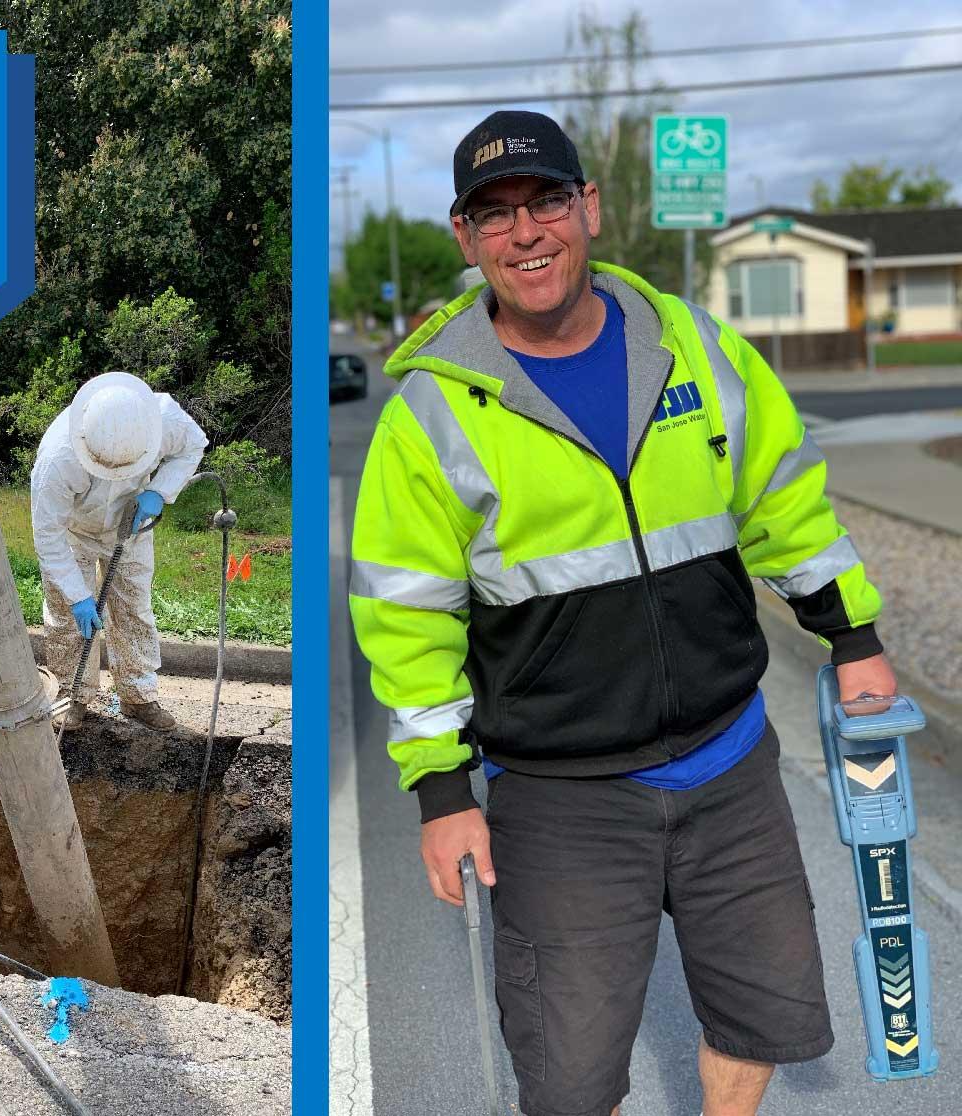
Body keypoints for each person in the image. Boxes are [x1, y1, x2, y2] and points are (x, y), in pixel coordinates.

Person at [350, 110, 893, 1116]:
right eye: (494, 215)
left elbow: (780, 501)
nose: (526, 233)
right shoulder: (429, 414)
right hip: (561, 798)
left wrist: (852, 640)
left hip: (730, 764)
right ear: (464, 238)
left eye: (546, 200)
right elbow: (407, 617)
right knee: (569, 1075)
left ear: (587, 207)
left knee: (756, 1011)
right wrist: (441, 790)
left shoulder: (690, 345)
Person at [31, 370, 208, 732]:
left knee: (133, 609)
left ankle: (138, 695)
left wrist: (160, 490)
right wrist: (80, 597)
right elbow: (47, 536)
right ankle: (71, 694)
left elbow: (193, 445)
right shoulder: (57, 458)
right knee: (67, 617)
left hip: (132, 523)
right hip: (73, 533)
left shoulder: (163, 419)